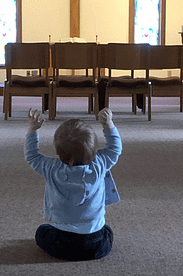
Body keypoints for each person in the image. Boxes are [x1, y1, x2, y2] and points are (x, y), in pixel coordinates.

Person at [24, 107, 122, 261]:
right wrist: (108, 125)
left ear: (59, 151)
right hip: (96, 241)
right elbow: (115, 149)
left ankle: (69, 252)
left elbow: (32, 156)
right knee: (107, 231)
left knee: (42, 232)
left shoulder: (51, 168)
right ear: (93, 149)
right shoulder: (100, 164)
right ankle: (91, 251)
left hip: (63, 241)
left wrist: (32, 130)